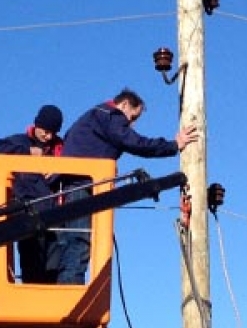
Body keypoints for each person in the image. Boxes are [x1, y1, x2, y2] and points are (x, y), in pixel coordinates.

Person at [54, 88, 198, 284]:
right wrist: (173, 145)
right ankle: (70, 292)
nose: (131, 123)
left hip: (73, 186)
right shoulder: (109, 115)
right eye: (133, 117)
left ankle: (67, 287)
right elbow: (134, 142)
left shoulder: (92, 117)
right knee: (79, 242)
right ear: (124, 105)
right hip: (82, 186)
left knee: (72, 242)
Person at [0, 104, 64, 283]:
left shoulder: (60, 149)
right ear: (37, 124)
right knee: (32, 265)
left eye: (53, 133)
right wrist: (27, 152)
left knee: (55, 269)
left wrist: (58, 169)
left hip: (55, 216)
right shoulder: (20, 142)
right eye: (46, 131)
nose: (49, 136)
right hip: (29, 213)